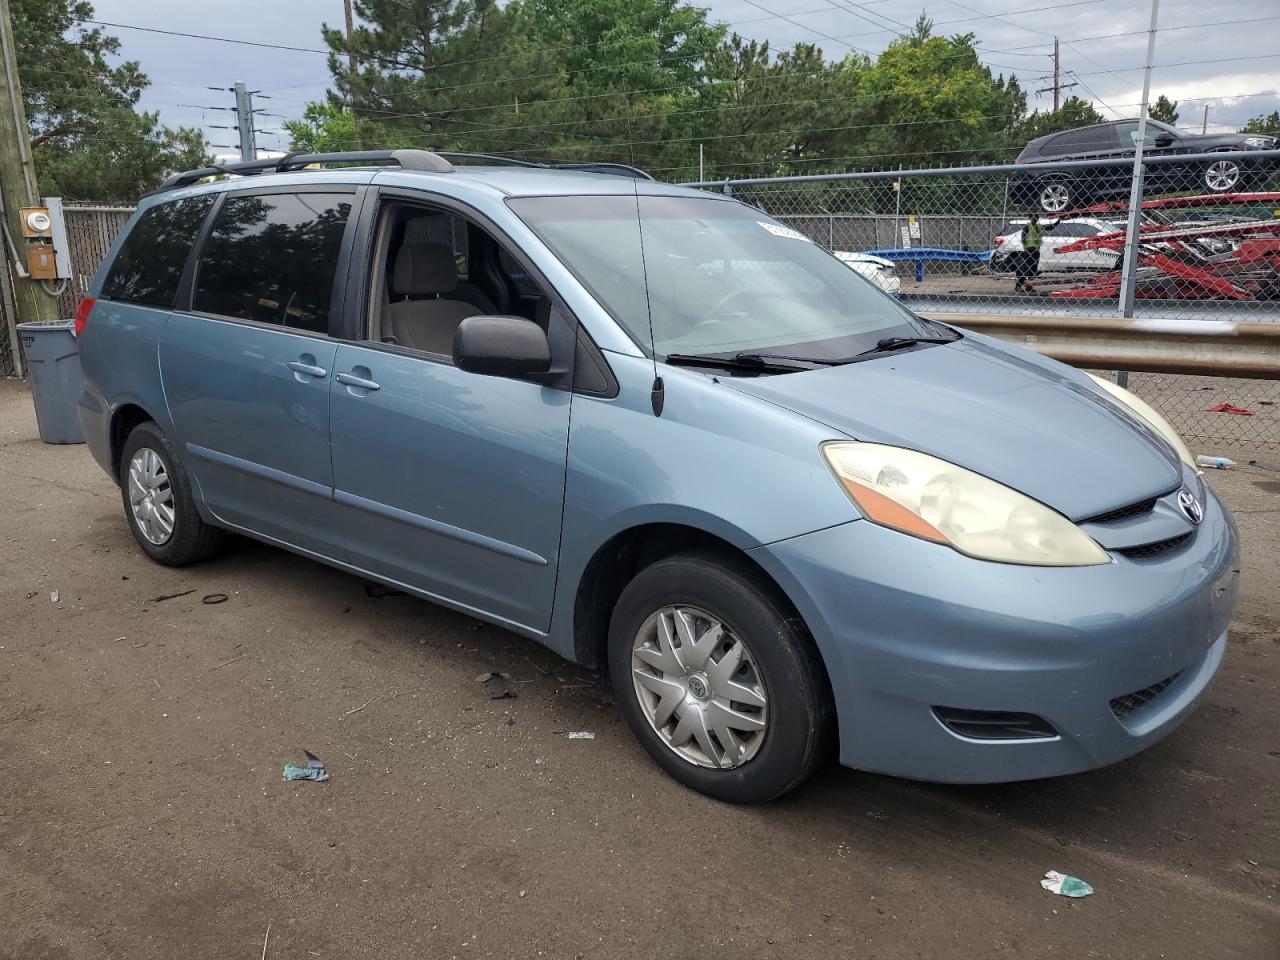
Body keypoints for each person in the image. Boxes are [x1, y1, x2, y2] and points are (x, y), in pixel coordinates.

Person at [1015, 213, 1044, 292]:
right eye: (1033, 217)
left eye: (1037, 217)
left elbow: (1049, 227)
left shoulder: (1038, 227)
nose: (1035, 219)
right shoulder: (1027, 227)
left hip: (1036, 250)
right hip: (1029, 250)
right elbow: (1023, 239)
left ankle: (1029, 285)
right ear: (1030, 218)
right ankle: (1018, 285)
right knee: (1026, 268)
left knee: (1033, 269)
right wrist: (1026, 248)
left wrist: (1058, 220)